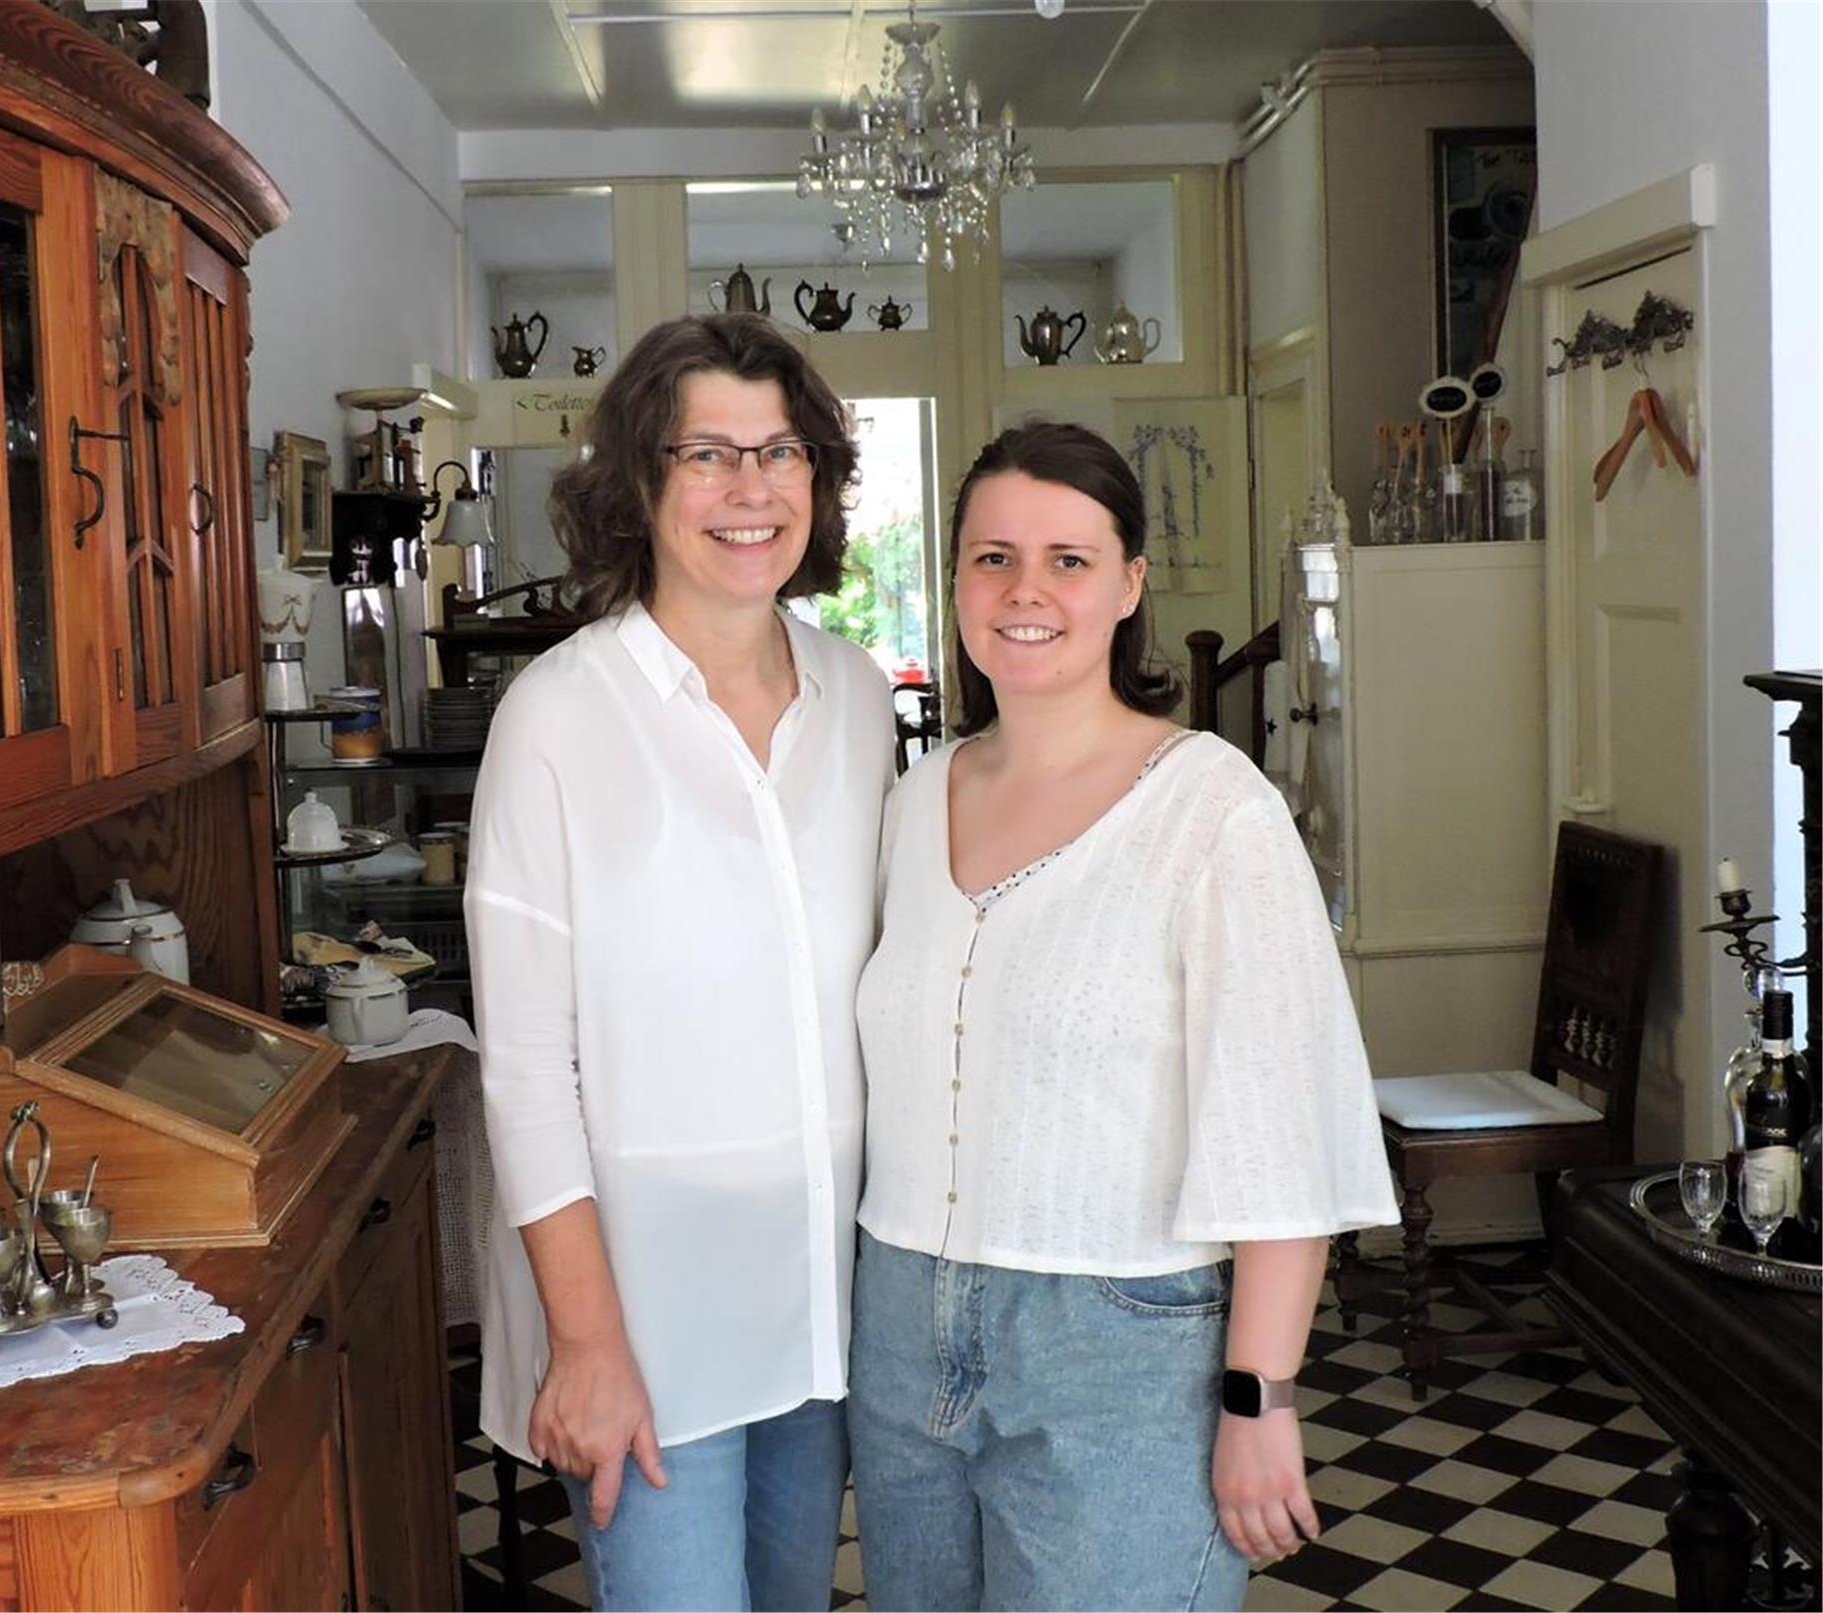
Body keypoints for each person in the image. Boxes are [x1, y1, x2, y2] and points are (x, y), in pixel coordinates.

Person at [849, 421, 1399, 1611]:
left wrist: (1259, 1392)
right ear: (954, 582)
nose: (1025, 590)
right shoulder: (910, 798)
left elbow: (1279, 1128)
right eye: (992, 557)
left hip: (1119, 1340)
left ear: (1130, 583)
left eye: (1069, 558)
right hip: (898, 1320)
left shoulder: (1212, 810)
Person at [464, 314, 894, 1612]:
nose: (749, 490)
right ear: (639, 485)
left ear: (817, 480)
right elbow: (529, 1070)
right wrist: (587, 1343)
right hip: (643, 1316)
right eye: (705, 454)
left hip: (819, 1301)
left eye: (780, 452)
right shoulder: (558, 718)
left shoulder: (860, 699)